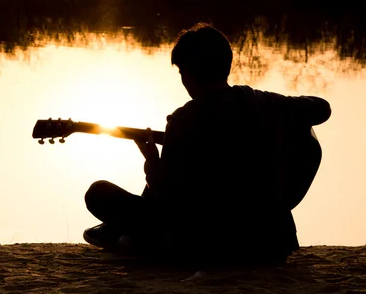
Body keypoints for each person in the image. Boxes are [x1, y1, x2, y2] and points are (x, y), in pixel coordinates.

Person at [83, 24, 331, 266]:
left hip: (208, 246)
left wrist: (152, 161)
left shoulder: (183, 120)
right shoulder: (265, 103)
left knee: (98, 193)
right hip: (273, 244)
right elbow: (322, 108)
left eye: (181, 72)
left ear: (189, 72)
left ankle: (128, 238)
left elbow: (165, 200)